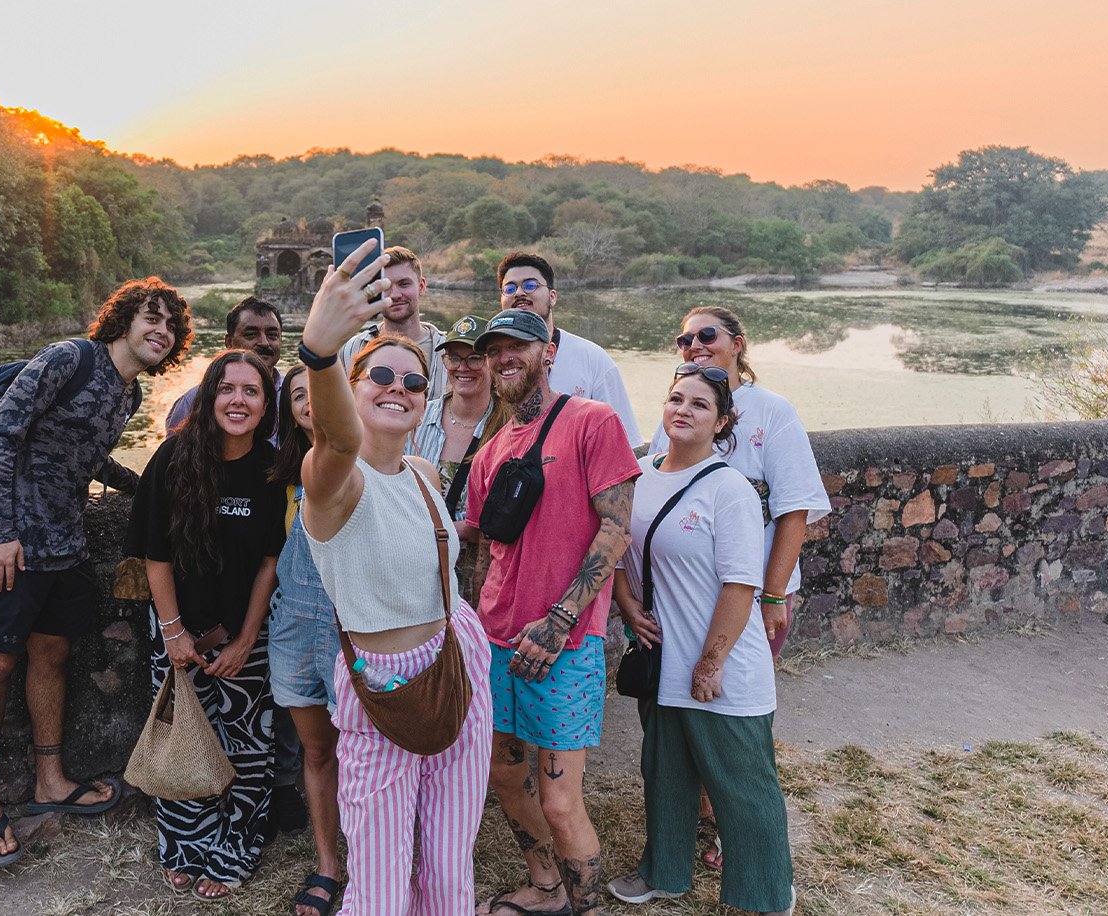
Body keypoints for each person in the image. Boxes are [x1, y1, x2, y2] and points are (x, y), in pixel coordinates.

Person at [0, 278, 191, 867]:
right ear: (124, 319)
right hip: (10, 543)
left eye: (171, 326)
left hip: (65, 542)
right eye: (152, 317)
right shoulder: (70, 358)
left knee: (52, 654)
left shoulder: (128, 395)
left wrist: (143, 487)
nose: (161, 330)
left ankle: (51, 780)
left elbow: (86, 454)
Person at [300, 238, 493, 914]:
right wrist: (320, 352)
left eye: (414, 382)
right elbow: (337, 440)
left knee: (448, 865)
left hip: (458, 656)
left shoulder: (423, 472)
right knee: (379, 885)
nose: (398, 388)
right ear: (351, 387)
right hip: (382, 683)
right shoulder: (334, 483)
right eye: (379, 375)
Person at [466, 308, 640, 916]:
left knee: (561, 801)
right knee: (504, 775)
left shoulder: (592, 421)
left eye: (518, 345)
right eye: (494, 349)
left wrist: (561, 618)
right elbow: (487, 551)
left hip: (564, 643)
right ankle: (546, 889)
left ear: (548, 352)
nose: (504, 357)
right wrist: (474, 629)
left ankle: (586, 908)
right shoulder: (490, 453)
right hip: (496, 640)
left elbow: (616, 528)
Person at [646, 305, 830, 870]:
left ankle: (737, 829)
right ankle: (702, 819)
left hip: (748, 592)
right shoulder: (681, 406)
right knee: (685, 717)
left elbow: (795, 509)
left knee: (732, 714)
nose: (695, 345)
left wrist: (772, 596)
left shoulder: (771, 411)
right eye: (685, 338)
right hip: (681, 596)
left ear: (738, 344)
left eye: (708, 335)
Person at [608, 362, 794, 916]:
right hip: (662, 658)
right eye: (676, 399)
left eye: (699, 404)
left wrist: (710, 663)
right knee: (665, 773)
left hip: (723, 666)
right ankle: (664, 872)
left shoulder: (729, 489)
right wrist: (628, 604)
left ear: (722, 422)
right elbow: (614, 545)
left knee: (742, 784)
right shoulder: (639, 474)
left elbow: (741, 585)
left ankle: (767, 895)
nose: (683, 410)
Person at [127, 349, 287, 901]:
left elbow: (270, 562)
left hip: (247, 634)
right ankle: (185, 844)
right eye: (227, 388)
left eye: (251, 391)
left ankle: (236, 845)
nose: (237, 401)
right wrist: (173, 633)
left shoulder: (274, 468)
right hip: (176, 629)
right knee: (183, 736)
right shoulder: (174, 458)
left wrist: (247, 639)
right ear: (210, 395)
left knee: (248, 747)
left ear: (266, 405)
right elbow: (155, 556)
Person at [266, 363, 345, 916]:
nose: (310, 402)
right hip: (293, 626)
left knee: (366, 752)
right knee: (316, 750)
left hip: (351, 628)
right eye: (299, 395)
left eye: (318, 390)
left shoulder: (369, 466)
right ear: (290, 411)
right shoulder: (281, 480)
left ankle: (376, 855)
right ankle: (327, 865)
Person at [408, 314, 510, 600]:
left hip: (481, 577)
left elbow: (512, 519)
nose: (463, 367)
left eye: (475, 358)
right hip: (419, 571)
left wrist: (455, 530)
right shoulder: (417, 416)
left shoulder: (509, 427)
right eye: (454, 357)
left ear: (491, 362)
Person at [494, 252, 641, 448]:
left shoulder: (593, 358)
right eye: (510, 288)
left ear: (552, 297)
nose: (519, 293)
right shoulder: (493, 362)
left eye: (530, 285)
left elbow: (624, 443)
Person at [337, 246, 449, 400]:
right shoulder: (351, 349)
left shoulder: (449, 352)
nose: (395, 295)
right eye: (386, 286)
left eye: (404, 284)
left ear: (421, 286)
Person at [165, 295, 283, 435]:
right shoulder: (193, 402)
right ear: (229, 343)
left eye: (272, 335)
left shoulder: (295, 396)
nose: (264, 342)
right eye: (251, 334)